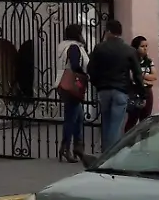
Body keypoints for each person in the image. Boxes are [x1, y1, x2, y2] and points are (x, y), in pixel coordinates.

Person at [86, 18, 144, 156]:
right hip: (121, 90)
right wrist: (142, 93)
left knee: (106, 122)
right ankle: (112, 155)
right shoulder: (129, 50)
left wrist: (97, 83)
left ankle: (106, 153)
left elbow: (90, 68)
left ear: (109, 31)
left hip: (104, 90)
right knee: (116, 124)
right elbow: (137, 74)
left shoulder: (99, 48)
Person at [54, 24, 88, 161]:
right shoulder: (74, 47)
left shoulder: (63, 46)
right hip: (72, 86)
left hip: (62, 84)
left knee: (78, 117)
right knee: (71, 119)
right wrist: (83, 74)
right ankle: (66, 148)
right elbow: (75, 65)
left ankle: (77, 148)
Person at [123, 35, 155, 133]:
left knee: (146, 119)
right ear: (135, 48)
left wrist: (140, 76)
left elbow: (154, 76)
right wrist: (143, 77)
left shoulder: (148, 61)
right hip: (135, 91)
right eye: (142, 46)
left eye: (146, 46)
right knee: (132, 119)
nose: (145, 48)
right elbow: (132, 77)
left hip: (147, 91)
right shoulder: (131, 61)